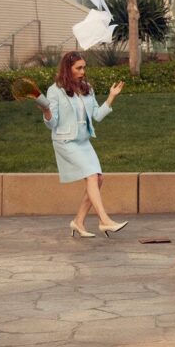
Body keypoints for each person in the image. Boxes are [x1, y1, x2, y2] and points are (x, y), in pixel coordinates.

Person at [36, 51, 128, 238]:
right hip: (65, 141)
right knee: (92, 176)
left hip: (83, 141)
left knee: (98, 178)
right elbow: (52, 124)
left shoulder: (87, 88)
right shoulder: (55, 90)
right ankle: (104, 220)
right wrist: (46, 111)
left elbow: (97, 116)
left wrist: (112, 97)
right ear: (67, 69)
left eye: (84, 67)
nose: (83, 71)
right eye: (78, 68)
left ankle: (78, 221)